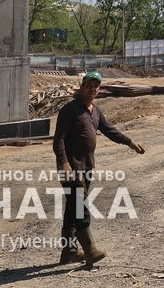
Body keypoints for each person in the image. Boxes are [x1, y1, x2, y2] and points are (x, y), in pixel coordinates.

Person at [52, 70, 145, 265]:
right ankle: (90, 250)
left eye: (96, 86)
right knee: (80, 207)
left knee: (72, 209)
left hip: (86, 168)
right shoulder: (70, 110)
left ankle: (69, 252)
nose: (93, 89)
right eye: (89, 85)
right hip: (71, 168)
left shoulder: (96, 111)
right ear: (82, 86)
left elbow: (109, 130)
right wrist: (64, 163)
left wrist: (129, 142)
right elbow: (58, 139)